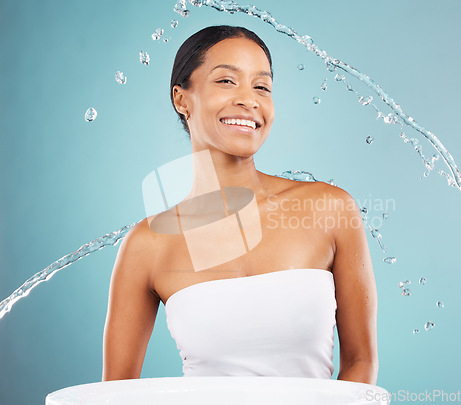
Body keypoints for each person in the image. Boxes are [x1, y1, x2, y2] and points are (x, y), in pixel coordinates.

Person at [102, 25, 378, 384]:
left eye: (261, 87)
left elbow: (361, 363)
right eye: (227, 81)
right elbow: (116, 393)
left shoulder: (330, 208)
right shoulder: (148, 244)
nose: (249, 100)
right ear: (181, 99)